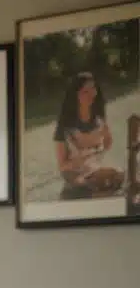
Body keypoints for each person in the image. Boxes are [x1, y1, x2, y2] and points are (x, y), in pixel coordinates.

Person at [53, 71, 123, 199]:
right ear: (75, 95)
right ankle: (77, 193)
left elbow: (108, 142)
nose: (91, 94)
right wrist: (79, 161)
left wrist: (100, 147)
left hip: (93, 169)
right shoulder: (64, 126)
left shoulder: (99, 118)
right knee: (83, 186)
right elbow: (62, 166)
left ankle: (99, 194)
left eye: (93, 89)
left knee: (119, 174)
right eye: (85, 92)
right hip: (74, 173)